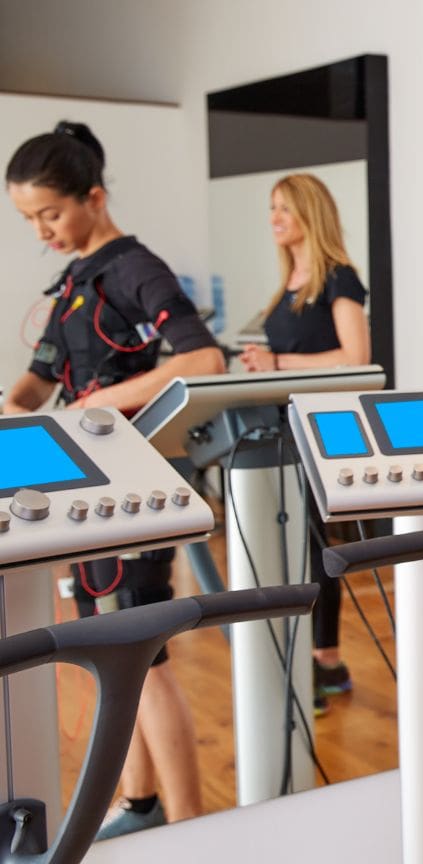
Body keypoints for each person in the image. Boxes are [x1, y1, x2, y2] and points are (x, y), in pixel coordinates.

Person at [5, 121, 226, 836]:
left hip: (135, 489)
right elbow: (36, 386)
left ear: (94, 198)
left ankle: (193, 828)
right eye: (30, 219)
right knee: (110, 654)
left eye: (51, 214)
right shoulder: (73, 283)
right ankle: (140, 802)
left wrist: (104, 401)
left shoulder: (137, 269)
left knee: (146, 658)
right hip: (87, 496)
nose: (44, 232)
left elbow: (203, 360)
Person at [239, 173, 370, 714]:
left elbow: (355, 356)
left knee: (315, 550)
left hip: (318, 431)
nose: (274, 218)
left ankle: (325, 661)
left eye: (284, 209)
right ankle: (319, 662)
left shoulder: (338, 278)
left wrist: (278, 363)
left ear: (309, 215)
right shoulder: (288, 283)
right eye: (271, 208)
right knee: (289, 549)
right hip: (277, 428)